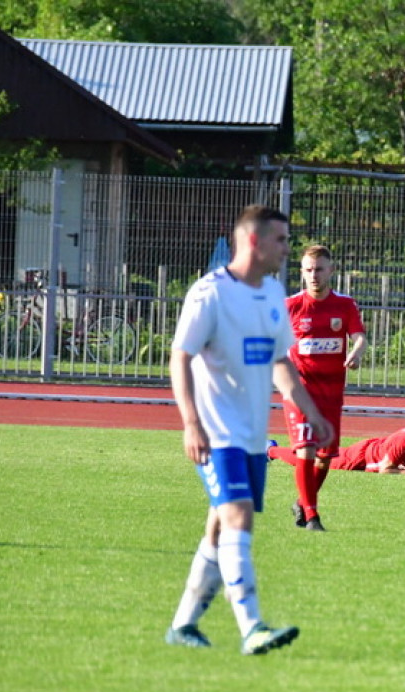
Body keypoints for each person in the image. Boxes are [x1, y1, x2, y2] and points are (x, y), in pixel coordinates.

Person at [165, 205, 333, 655]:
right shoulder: (209, 294)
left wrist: (311, 413)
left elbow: (280, 362)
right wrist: (191, 423)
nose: (287, 249)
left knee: (219, 530)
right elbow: (180, 357)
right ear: (254, 242)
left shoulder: (272, 293)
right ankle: (252, 626)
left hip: (253, 438)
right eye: (281, 240)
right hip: (216, 434)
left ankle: (183, 624)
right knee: (239, 516)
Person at [278, 244, 366, 532]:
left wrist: (356, 352)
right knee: (306, 450)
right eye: (308, 270)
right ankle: (312, 516)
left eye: (319, 269)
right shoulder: (290, 306)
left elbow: (359, 337)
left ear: (331, 271)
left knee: (325, 459)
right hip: (300, 391)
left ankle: (302, 503)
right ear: (302, 273)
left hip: (331, 393)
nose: (313, 275)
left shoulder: (345, 305)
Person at [271, 426, 405, 475]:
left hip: (380, 446)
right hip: (366, 456)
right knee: (318, 460)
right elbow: (384, 469)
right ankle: (272, 450)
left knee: (322, 453)